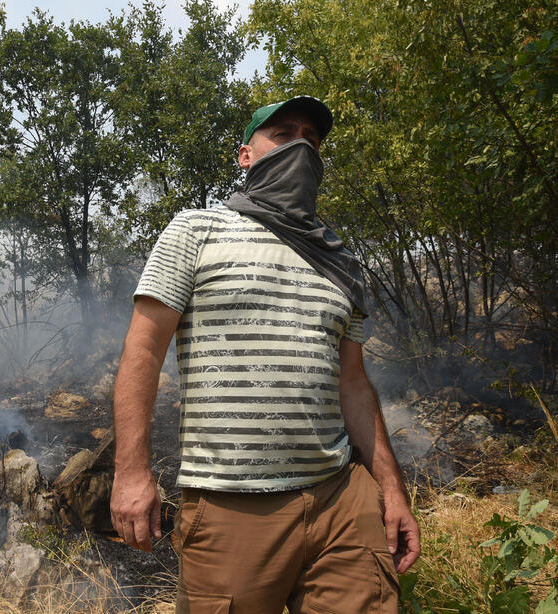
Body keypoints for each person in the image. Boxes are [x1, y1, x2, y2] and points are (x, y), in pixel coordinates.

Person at [109, 96, 420, 613]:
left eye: (311, 138)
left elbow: (354, 385)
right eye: (283, 133)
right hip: (232, 508)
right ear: (245, 157)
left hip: (342, 499)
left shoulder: (341, 262)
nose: (300, 144)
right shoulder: (195, 231)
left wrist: (390, 490)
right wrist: (131, 472)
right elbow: (142, 350)